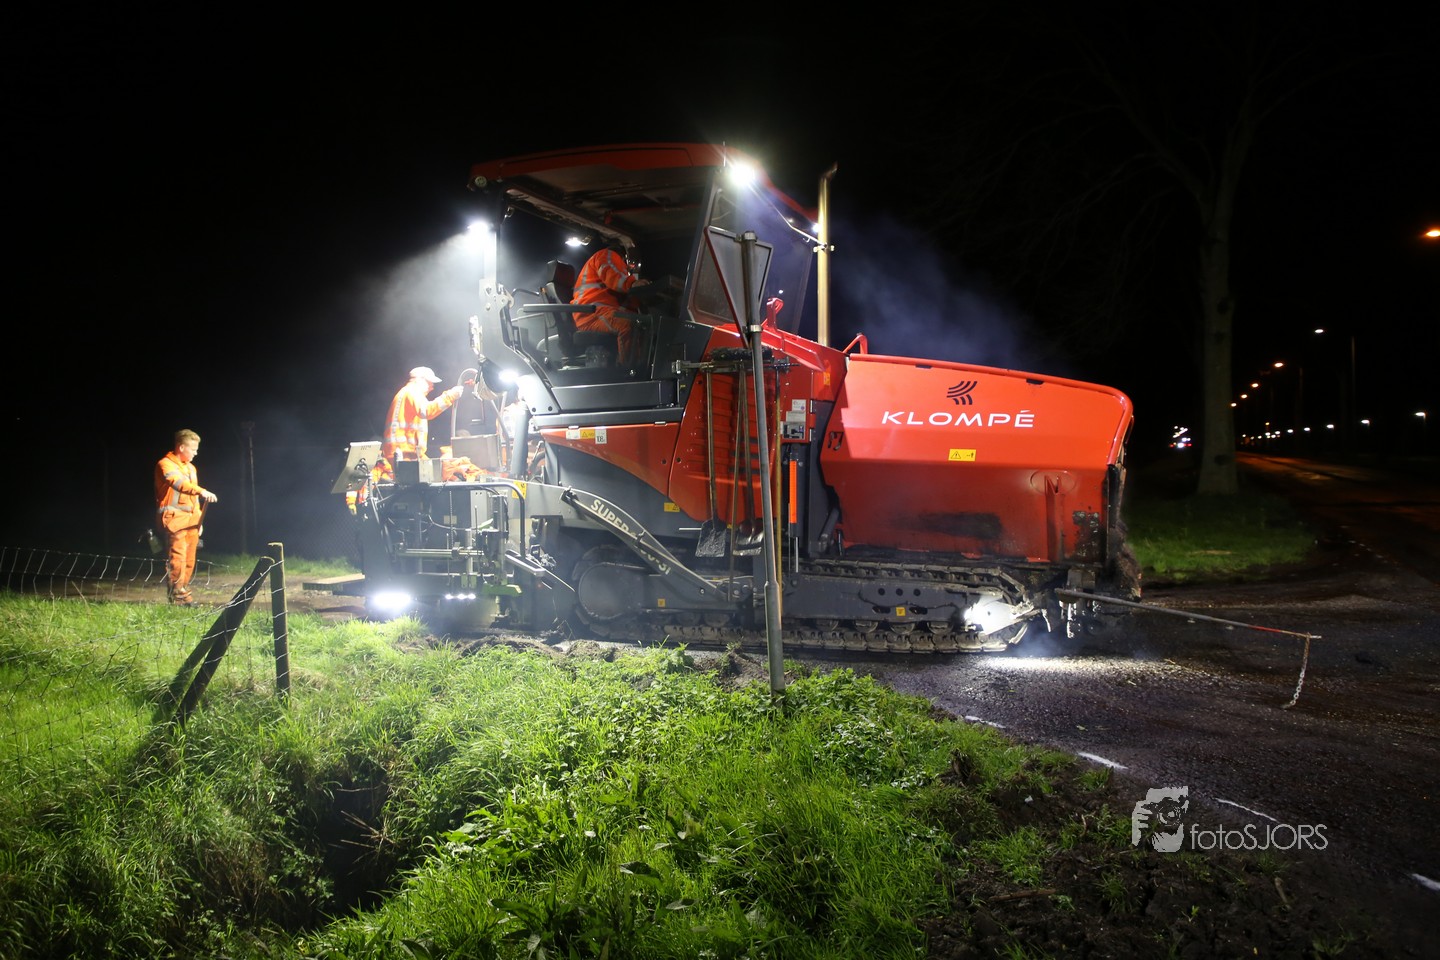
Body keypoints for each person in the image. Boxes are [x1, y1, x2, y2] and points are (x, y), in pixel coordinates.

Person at [154, 428, 218, 605]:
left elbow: (193, 499)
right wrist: (202, 491)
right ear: (181, 447)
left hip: (191, 522)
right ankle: (178, 598)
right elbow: (178, 484)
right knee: (177, 560)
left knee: (189, 561)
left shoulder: (191, 468)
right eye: (193, 449)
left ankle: (182, 593)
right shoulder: (165, 464)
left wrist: (199, 520)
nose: (196, 453)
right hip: (174, 520)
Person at [571, 244, 650, 365]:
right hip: (591, 314)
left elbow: (625, 300)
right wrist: (632, 284)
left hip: (598, 313)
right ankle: (629, 370)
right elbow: (613, 276)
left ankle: (640, 365)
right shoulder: (607, 255)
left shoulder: (616, 267)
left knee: (642, 324)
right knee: (627, 324)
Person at [381, 366, 472, 463]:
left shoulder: (409, 393)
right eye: (429, 382)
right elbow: (427, 410)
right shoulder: (412, 391)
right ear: (419, 380)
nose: (432, 387)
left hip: (406, 453)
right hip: (402, 454)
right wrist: (450, 396)